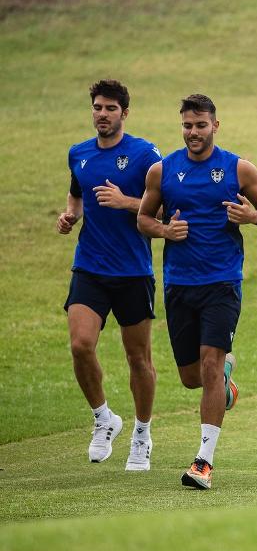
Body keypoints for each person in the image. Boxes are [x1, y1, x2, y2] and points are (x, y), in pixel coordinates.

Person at [137, 94, 257, 489]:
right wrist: (165, 230)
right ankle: (225, 385)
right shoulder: (161, 172)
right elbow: (143, 218)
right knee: (191, 376)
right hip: (180, 284)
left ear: (216, 126)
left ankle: (203, 462)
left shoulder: (238, 168)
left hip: (222, 282)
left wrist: (250, 216)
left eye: (200, 125)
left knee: (211, 363)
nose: (193, 132)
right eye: (187, 126)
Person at [58, 79, 162, 470]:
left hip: (134, 270)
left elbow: (166, 208)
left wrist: (127, 202)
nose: (102, 114)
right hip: (90, 266)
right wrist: (71, 215)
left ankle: (142, 434)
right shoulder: (79, 154)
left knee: (139, 359)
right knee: (81, 345)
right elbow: (78, 194)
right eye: (98, 108)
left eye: (110, 109)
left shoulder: (145, 155)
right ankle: (104, 419)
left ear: (125, 113)